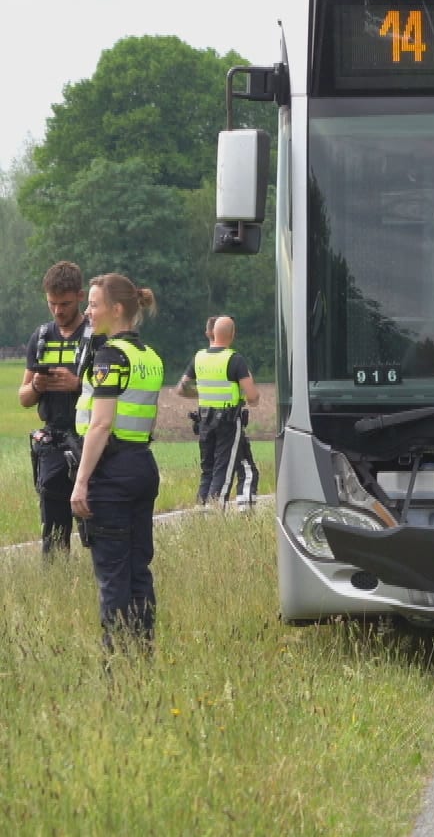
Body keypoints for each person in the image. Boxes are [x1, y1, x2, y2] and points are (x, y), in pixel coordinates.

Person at [70, 274, 165, 654]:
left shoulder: (111, 356)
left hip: (111, 472)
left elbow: (102, 423)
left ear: (117, 308)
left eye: (93, 304)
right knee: (138, 569)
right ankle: (143, 653)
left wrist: (81, 482)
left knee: (112, 574)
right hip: (142, 464)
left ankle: (116, 665)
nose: (88, 312)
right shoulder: (149, 356)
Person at [16, 261, 90, 556]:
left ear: (80, 296)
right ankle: (57, 577)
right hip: (53, 442)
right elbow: (23, 398)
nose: (58, 311)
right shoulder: (42, 337)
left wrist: (78, 384)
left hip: (89, 438)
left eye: (65, 304)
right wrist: (37, 386)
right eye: (52, 304)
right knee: (53, 528)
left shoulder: (96, 337)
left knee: (94, 522)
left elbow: (114, 392)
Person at [177, 315, 261, 506]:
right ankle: (214, 513)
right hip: (228, 422)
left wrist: (203, 392)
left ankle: (201, 511)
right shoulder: (235, 359)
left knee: (208, 469)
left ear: (213, 333)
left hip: (205, 420)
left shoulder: (199, 357)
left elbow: (181, 388)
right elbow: (253, 396)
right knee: (223, 469)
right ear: (232, 335)